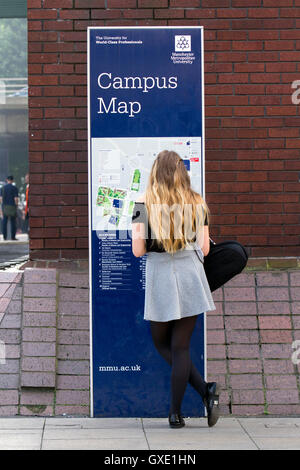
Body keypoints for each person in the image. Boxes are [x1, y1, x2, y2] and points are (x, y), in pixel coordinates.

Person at [131, 150, 220, 429]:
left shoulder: (142, 203)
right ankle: (177, 413)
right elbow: (205, 249)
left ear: (156, 172)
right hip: (191, 275)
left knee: (161, 343)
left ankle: (205, 391)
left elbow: (137, 251)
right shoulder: (197, 202)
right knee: (181, 346)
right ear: (182, 172)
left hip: (160, 276)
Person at [0, 175, 19, 241]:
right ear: (12, 180)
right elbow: (16, 198)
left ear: (6, 180)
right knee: (13, 222)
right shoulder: (15, 188)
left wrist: (2, 207)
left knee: (4, 222)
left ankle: (5, 237)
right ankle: (13, 237)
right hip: (12, 207)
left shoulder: (3, 188)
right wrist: (16, 206)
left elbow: (1, 199)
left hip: (5, 207)